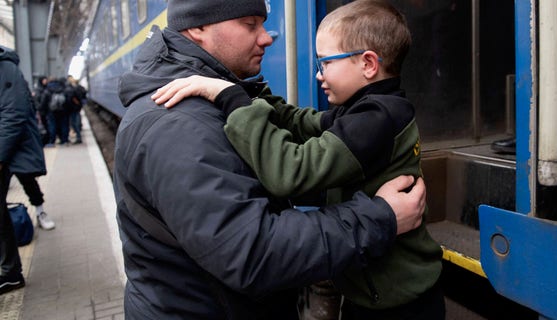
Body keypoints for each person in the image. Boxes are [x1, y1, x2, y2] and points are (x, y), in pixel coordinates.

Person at [114, 0, 427, 319]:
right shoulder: (177, 127)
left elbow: (299, 148)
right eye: (251, 25)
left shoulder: (374, 114)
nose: (267, 37)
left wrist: (239, 96)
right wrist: (380, 218)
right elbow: (254, 251)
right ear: (198, 28)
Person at [0, 45, 48, 294]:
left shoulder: (5, 67)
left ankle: (10, 272)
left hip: (8, 152)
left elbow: (14, 115)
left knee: (28, 185)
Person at [40, 77, 70, 146]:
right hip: (63, 111)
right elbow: (67, 100)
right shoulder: (63, 88)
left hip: (51, 111)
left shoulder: (47, 89)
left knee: (52, 126)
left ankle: (52, 142)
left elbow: (44, 101)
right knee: (63, 125)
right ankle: (64, 140)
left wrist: (42, 110)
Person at [66, 75, 86, 144]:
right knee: (75, 122)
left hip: (73, 109)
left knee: (74, 123)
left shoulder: (71, 88)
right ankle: (78, 136)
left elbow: (72, 98)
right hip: (76, 108)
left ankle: (78, 137)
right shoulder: (78, 88)